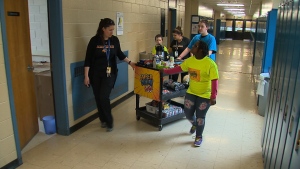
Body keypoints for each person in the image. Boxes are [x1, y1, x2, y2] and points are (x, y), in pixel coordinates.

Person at [163, 40, 219, 147]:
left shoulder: (210, 64)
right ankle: (194, 124)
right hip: (192, 92)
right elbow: (179, 68)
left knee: (200, 117)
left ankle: (199, 136)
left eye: (195, 46)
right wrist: (166, 71)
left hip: (205, 95)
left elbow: (214, 81)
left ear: (201, 50)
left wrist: (213, 96)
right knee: (188, 113)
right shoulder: (190, 60)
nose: (192, 47)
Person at [84, 18, 135, 132]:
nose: (112, 32)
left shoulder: (114, 40)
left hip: (110, 73)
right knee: (98, 97)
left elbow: (120, 54)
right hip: (95, 74)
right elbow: (87, 59)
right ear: (103, 29)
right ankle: (102, 119)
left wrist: (131, 63)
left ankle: (109, 121)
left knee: (103, 96)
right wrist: (86, 76)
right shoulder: (94, 41)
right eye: (110, 30)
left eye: (113, 30)